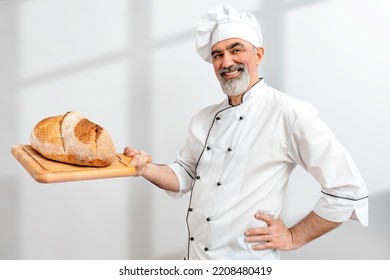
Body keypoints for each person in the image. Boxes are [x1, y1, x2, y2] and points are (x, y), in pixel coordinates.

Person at [124, 4, 368, 260]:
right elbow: (185, 174)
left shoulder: (289, 113)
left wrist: (295, 236)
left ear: (258, 54)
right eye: (217, 55)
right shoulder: (203, 119)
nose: (226, 62)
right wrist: (145, 168)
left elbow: (347, 190)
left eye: (235, 49)